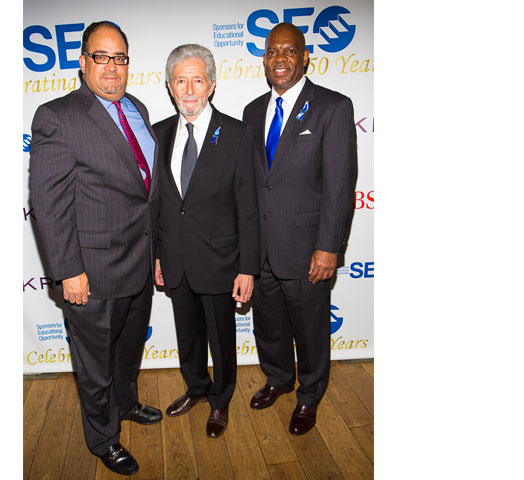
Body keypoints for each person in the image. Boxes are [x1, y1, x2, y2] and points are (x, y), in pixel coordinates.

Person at [29, 21, 162, 476]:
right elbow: (48, 203)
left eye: (119, 58)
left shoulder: (138, 107)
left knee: (127, 352)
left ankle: (126, 404)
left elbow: (145, 191)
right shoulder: (57, 116)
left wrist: (157, 254)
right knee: (94, 365)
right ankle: (103, 438)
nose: (111, 67)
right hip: (93, 271)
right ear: (83, 62)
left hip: (139, 264)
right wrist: (69, 270)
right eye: (101, 57)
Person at [242, 22, 358, 436]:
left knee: (310, 331)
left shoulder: (332, 106)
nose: (280, 59)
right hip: (262, 249)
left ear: (305, 56)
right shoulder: (252, 111)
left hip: (308, 249)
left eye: (290, 50)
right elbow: (254, 183)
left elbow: (340, 184)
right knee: (268, 324)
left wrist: (329, 247)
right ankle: (278, 378)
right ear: (264, 59)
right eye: (273, 51)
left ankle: (309, 394)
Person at [153, 44, 260, 438]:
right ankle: (196, 387)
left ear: (211, 85)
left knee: (222, 338)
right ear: (170, 87)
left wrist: (248, 268)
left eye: (197, 80)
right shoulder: (158, 134)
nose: (189, 89)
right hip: (176, 259)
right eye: (180, 80)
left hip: (221, 261)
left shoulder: (237, 134)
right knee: (188, 336)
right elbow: (158, 205)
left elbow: (249, 208)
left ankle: (221, 399)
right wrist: (158, 255)